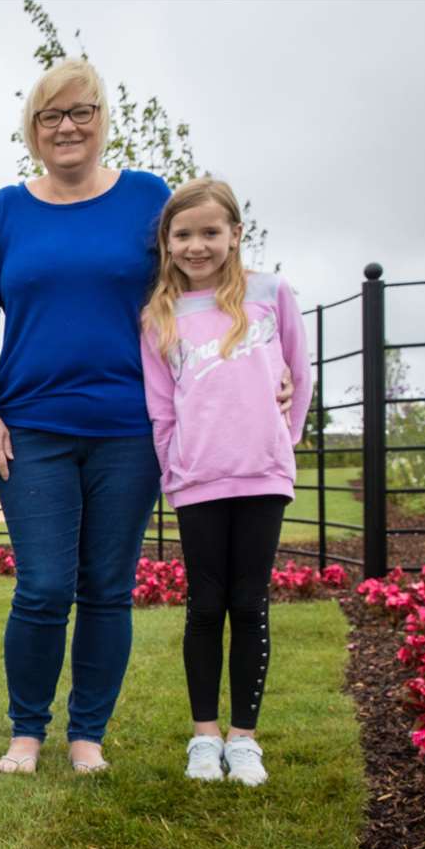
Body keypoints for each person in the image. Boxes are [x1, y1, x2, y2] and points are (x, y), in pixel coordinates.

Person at [0, 59, 172, 776]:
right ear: (34, 131)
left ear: (103, 120)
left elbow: (198, 287)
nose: (68, 126)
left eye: (81, 112)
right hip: (32, 427)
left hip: (129, 428)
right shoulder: (6, 210)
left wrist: (258, 355)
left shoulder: (148, 198)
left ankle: (88, 737)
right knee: (44, 584)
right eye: (52, 116)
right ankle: (26, 734)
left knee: (107, 587)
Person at [140, 178, 312, 786]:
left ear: (235, 234)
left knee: (250, 602)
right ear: (167, 242)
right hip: (198, 482)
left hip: (264, 476)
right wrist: (174, 470)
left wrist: (279, 445)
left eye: (210, 232)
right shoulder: (159, 316)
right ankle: (204, 737)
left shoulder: (270, 294)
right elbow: (162, 409)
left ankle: (244, 739)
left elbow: (300, 373)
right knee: (205, 604)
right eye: (183, 234)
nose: (197, 245)